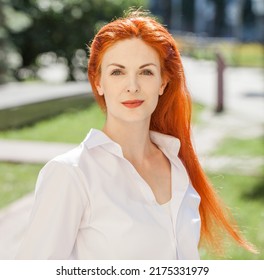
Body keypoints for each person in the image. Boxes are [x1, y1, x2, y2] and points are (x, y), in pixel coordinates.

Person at [16, 10, 256, 260]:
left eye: (146, 72)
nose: (132, 85)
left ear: (163, 82)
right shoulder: (71, 174)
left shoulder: (177, 163)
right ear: (98, 81)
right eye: (117, 72)